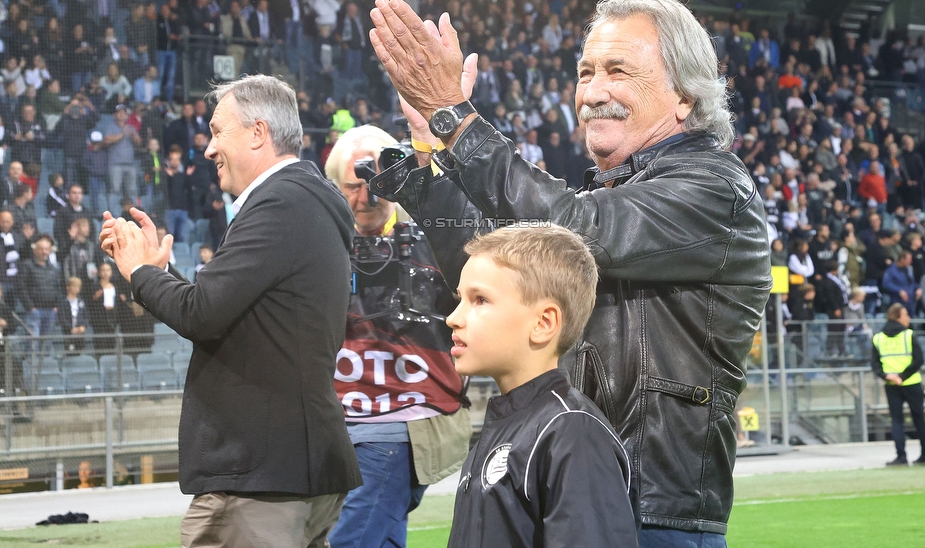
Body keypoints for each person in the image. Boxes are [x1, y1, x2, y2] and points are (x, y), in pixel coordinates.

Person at [367, 0, 771, 544]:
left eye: (618, 71)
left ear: (684, 95)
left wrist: (456, 120)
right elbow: (494, 264)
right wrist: (425, 157)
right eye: (585, 72)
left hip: (651, 516)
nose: (593, 92)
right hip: (567, 486)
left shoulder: (714, 190)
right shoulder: (606, 195)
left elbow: (576, 228)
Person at [99, 75, 361, 546]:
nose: (208, 148)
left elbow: (201, 314)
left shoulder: (280, 202)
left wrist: (140, 272)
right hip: (289, 466)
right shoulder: (304, 200)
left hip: (260, 472)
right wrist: (160, 274)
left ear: (258, 133)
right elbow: (235, 315)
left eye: (219, 131)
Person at [324, 126, 471, 548]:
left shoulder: (435, 240)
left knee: (349, 540)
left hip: (404, 420)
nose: (367, 197)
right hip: (340, 419)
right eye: (354, 185)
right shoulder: (322, 246)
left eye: (376, 183)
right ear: (335, 186)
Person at [446, 224, 637, 547]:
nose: (454, 317)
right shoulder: (511, 422)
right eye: (460, 298)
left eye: (479, 300)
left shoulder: (570, 430)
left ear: (543, 323)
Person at [872, 303, 925, 467]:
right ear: (897, 317)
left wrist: (888, 376)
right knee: (919, 419)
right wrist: (903, 376)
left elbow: (875, 364)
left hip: (891, 384)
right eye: (905, 314)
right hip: (911, 383)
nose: (908, 318)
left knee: (897, 421)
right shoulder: (908, 335)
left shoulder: (878, 338)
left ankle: (901, 456)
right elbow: (919, 360)